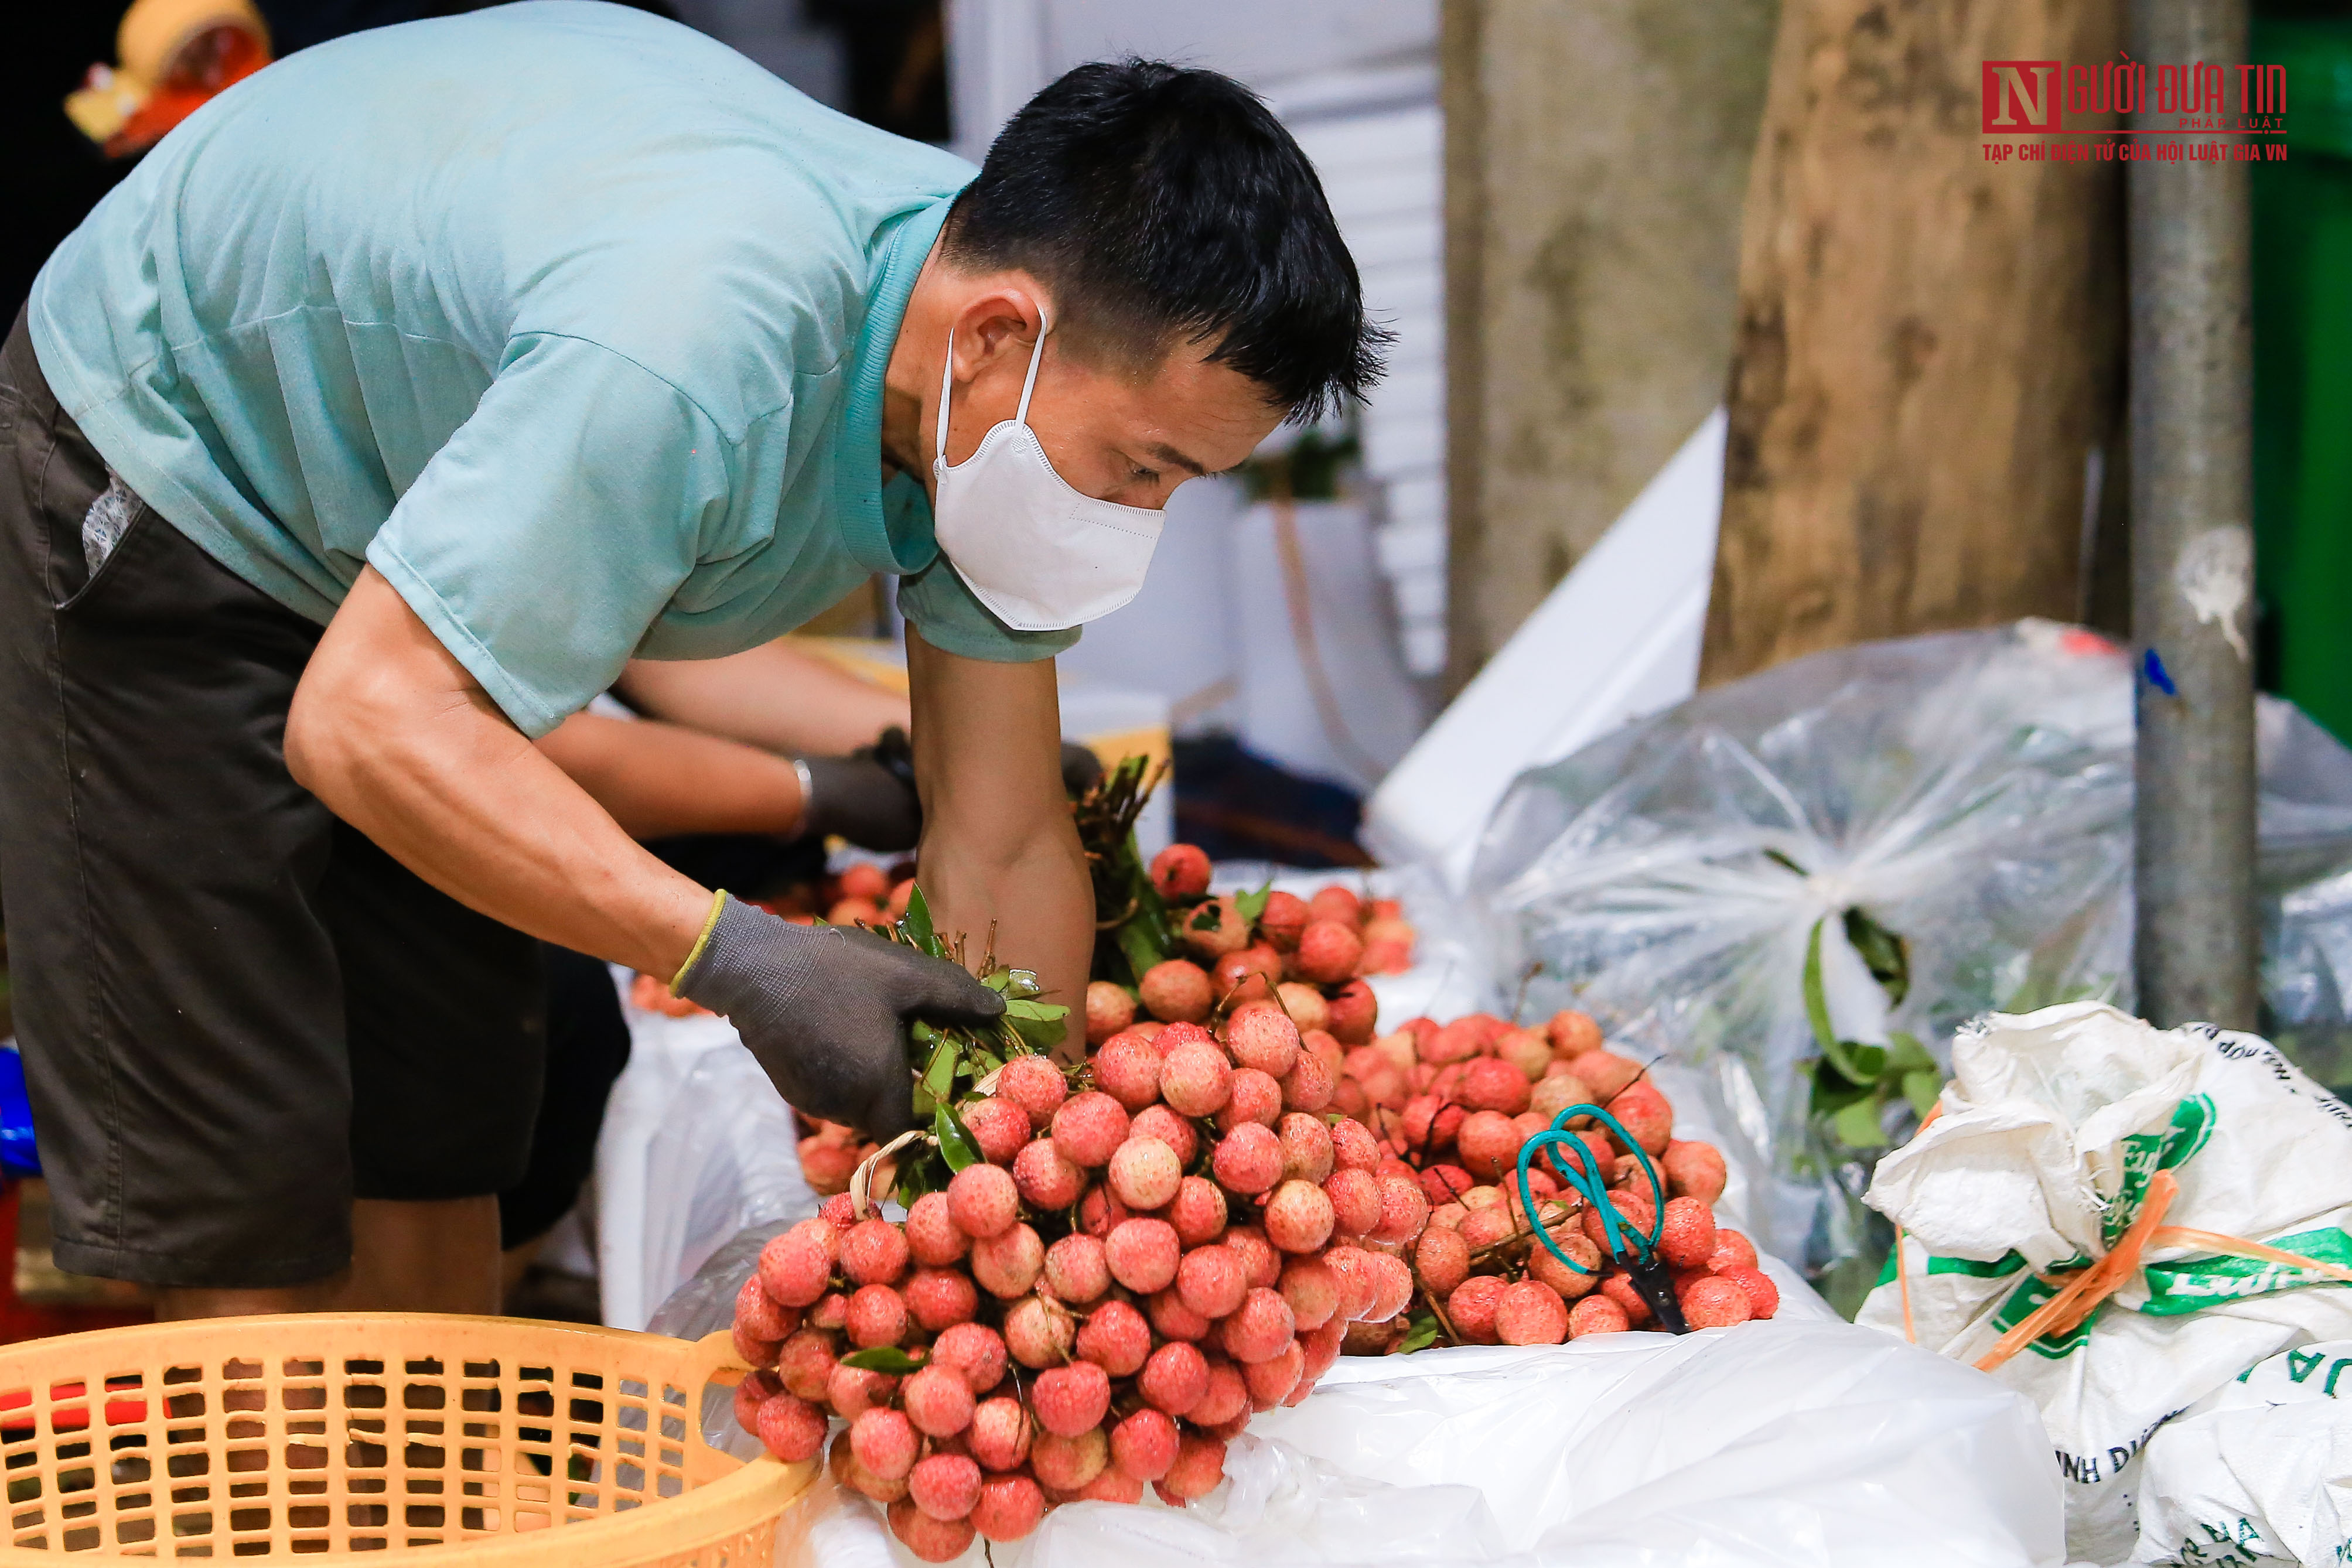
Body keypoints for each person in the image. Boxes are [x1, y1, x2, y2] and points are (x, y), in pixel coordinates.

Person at [0, 3, 1380, 1321]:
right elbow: (363, 723)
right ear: (997, 335)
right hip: (181, 446)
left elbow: (1005, 834)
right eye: (1141, 467)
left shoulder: (991, 395)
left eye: (1180, 482)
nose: (1138, 518)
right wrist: (735, 957)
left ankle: (436, 1527)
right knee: (250, 1158)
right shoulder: (690, 352)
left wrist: (1020, 1174)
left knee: (440, 1114)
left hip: (404, 498)